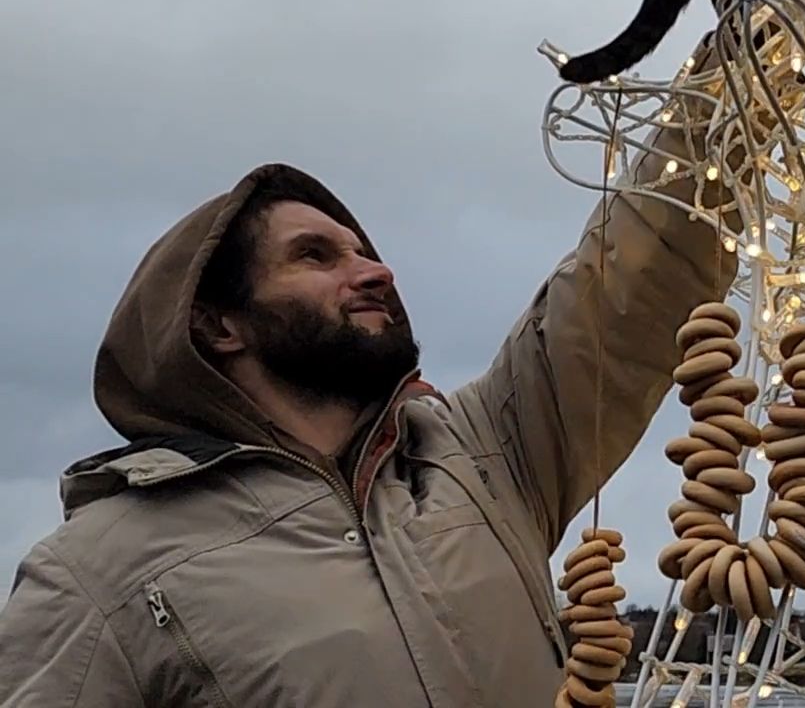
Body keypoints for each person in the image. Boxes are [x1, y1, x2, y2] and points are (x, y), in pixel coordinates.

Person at [0, 104, 737, 706]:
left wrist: (743, 64)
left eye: (363, 251)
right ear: (216, 324)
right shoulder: (97, 571)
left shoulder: (485, 458)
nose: (376, 272)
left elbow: (629, 292)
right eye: (316, 257)